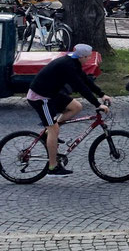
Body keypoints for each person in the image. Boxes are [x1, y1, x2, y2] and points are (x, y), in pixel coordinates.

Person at [26, 44, 112, 176]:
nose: (89, 59)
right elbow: (81, 87)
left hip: (51, 93)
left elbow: (85, 80)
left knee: (76, 107)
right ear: (82, 57)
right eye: (88, 57)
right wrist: (97, 104)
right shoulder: (68, 66)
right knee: (53, 129)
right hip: (40, 97)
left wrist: (101, 94)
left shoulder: (74, 62)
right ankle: (53, 166)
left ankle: (48, 134)